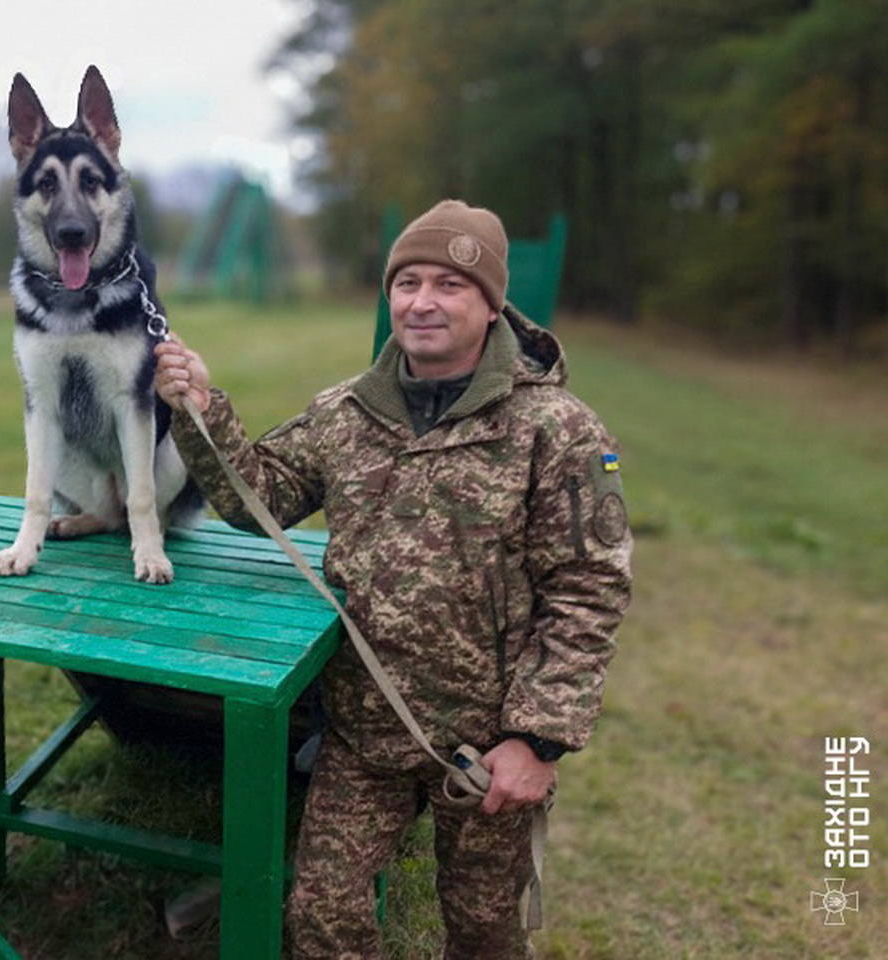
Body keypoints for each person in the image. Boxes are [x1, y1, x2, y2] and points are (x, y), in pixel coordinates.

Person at [154, 199, 633, 959]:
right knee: (321, 916)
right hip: (363, 732)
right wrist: (201, 406)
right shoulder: (345, 413)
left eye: (450, 284)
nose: (422, 302)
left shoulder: (558, 431)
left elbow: (588, 589)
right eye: (407, 281)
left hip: (488, 748)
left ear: (490, 304)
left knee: (483, 931)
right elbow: (263, 498)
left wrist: (537, 739)